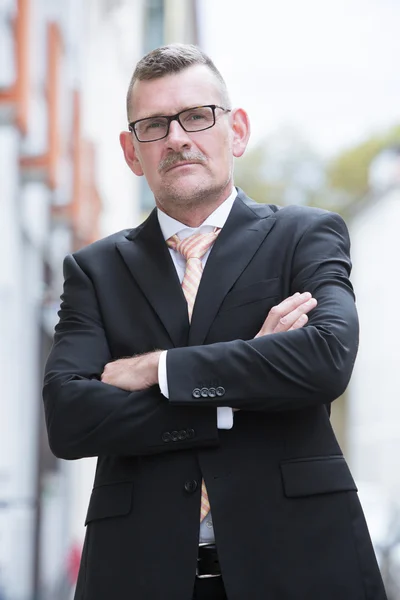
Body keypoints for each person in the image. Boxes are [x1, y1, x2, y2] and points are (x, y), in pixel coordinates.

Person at [43, 44, 387, 600]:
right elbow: (71, 418)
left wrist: (162, 369)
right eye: (154, 125)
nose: (177, 137)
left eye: (196, 117)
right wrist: (241, 386)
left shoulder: (305, 236)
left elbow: (325, 360)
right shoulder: (94, 270)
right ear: (133, 153)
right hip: (139, 574)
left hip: (302, 567)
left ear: (237, 131)